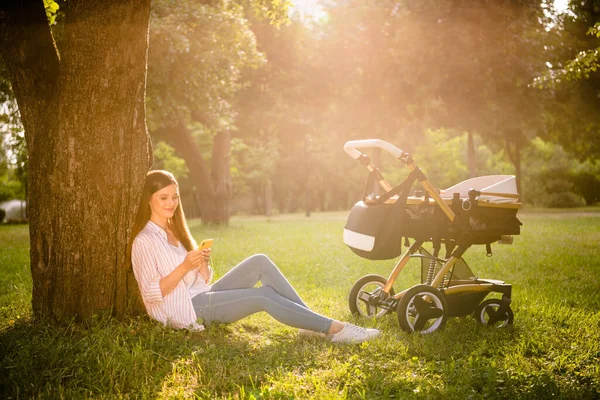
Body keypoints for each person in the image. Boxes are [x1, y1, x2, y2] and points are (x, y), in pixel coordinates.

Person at [128, 170, 381, 344]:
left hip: (200, 295)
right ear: (148, 200)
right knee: (263, 295)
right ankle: (334, 329)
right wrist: (184, 266)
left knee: (259, 260)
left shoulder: (176, 230)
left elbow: (201, 282)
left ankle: (309, 322)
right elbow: (151, 294)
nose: (171, 203)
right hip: (188, 311)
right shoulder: (144, 241)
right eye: (163, 198)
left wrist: (201, 265)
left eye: (174, 197)